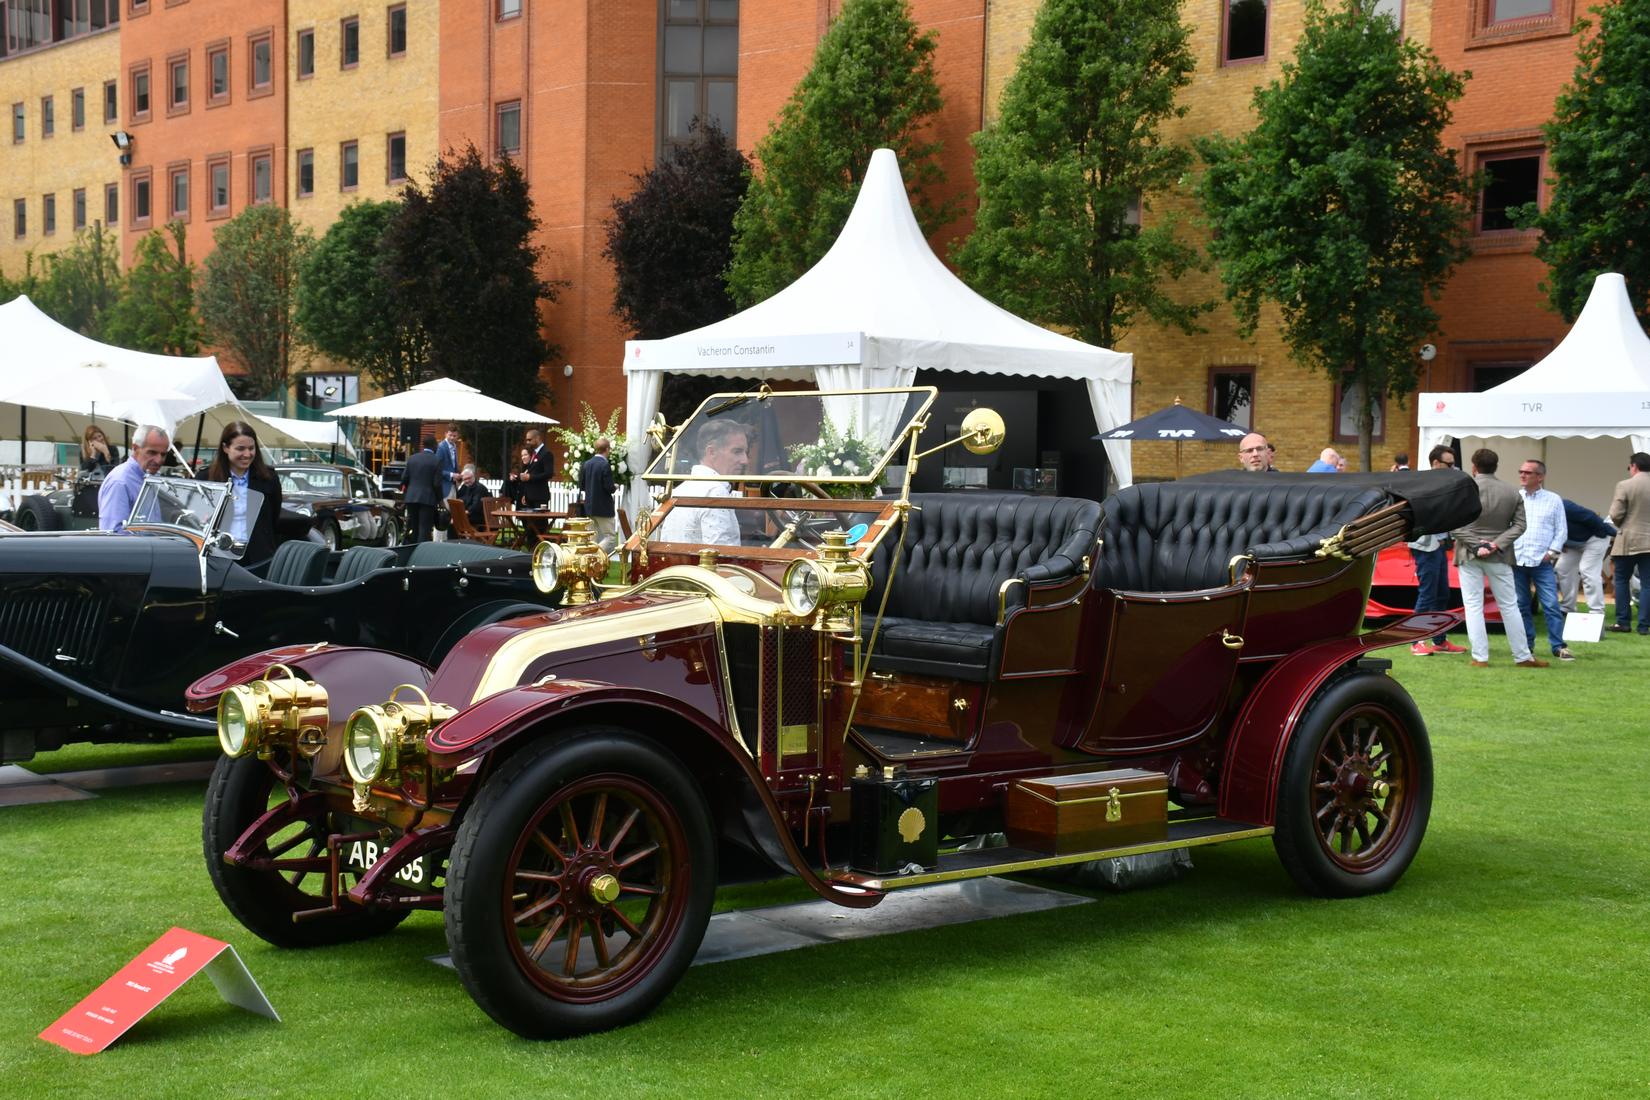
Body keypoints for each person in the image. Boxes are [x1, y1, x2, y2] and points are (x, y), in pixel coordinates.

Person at [1451, 448, 1545, 667]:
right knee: (1509, 605)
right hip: (1499, 554)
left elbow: (1454, 525)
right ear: (1496, 466)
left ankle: (1480, 657)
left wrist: (1477, 544)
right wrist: (1495, 544)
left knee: (1473, 605)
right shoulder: (1512, 492)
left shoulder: (1464, 490)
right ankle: (1522, 656)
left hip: (1468, 553)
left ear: (1474, 466)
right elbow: (1520, 525)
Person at [1408, 445, 1467, 655]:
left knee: (1441, 594)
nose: (1453, 468)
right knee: (1427, 594)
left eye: (1454, 464)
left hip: (1439, 546)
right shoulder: (1422, 484)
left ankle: (1440, 640)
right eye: (1449, 464)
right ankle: (1416, 642)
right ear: (1435, 463)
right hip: (1425, 547)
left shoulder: (1446, 484)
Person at [1512, 459, 1571, 661]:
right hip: (1517, 559)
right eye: (1521, 471)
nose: (1522, 475)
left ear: (1540, 476)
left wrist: (1551, 553)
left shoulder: (1553, 499)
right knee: (1521, 605)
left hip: (1542, 561)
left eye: (1527, 472)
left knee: (1551, 604)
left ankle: (1558, 646)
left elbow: (1561, 530)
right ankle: (1527, 646)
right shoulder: (1514, 497)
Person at [199, 420, 281, 565]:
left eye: (251, 448)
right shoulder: (206, 479)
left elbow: (273, 518)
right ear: (225, 448)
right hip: (218, 556)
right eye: (240, 449)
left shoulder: (268, 478)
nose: (247, 454)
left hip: (259, 556)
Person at [657, 420, 748, 546]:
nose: (745, 460)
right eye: (737, 451)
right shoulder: (715, 492)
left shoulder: (679, 490)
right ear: (712, 452)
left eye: (745, 452)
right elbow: (722, 555)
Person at [1606, 451, 1650, 634]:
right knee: (1648, 584)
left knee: (1622, 580)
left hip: (1628, 540)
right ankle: (1644, 625)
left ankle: (1623, 622)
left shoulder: (1625, 485)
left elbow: (1615, 514)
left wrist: (1622, 524)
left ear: (1634, 466)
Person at [97, 425, 170, 532]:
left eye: (163, 454)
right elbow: (113, 535)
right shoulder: (120, 482)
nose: (159, 460)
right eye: (152, 452)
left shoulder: (150, 478)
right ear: (135, 448)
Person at [1556, 497, 1615, 616]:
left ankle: (1596, 611)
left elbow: (1590, 517)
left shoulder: (1564, 505)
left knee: (1587, 570)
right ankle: (1568, 607)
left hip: (1595, 538)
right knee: (1562, 568)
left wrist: (1614, 534)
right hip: (1572, 544)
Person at [579, 436, 619, 553]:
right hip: (603, 507)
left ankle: (589, 558)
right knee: (610, 537)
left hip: (590, 506)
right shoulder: (604, 465)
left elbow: (581, 486)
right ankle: (596, 554)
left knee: (592, 537)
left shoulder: (586, 464)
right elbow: (609, 488)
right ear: (607, 449)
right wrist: (614, 486)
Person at [402, 436, 443, 544]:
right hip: (428, 499)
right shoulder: (437, 461)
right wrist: (440, 501)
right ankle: (420, 554)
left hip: (411, 498)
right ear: (434, 446)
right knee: (424, 528)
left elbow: (404, 479)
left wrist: (408, 492)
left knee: (414, 527)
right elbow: (437, 484)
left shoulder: (412, 458)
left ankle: (411, 552)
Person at [521, 428, 552, 507]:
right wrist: (526, 494)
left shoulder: (546, 453)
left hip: (540, 496)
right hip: (530, 497)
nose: (527, 442)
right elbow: (531, 471)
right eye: (527, 440)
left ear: (537, 438)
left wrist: (530, 477)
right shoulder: (533, 453)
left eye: (529, 440)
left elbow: (549, 473)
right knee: (529, 519)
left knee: (540, 519)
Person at [455, 463, 492, 527]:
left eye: (469, 478)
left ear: (473, 477)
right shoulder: (464, 487)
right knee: (451, 519)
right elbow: (457, 499)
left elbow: (476, 506)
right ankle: (458, 536)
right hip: (468, 515)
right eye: (465, 479)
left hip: (479, 516)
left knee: (455, 520)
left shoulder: (479, 488)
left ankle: (459, 536)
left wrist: (464, 513)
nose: (467, 481)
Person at [436, 427, 460, 499]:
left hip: (452, 485)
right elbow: (436, 469)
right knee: (449, 509)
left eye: (454, 436)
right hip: (444, 486)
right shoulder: (441, 447)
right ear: (445, 434)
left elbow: (453, 466)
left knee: (453, 509)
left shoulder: (454, 446)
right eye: (450, 435)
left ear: (458, 436)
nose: (452, 438)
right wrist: (452, 475)